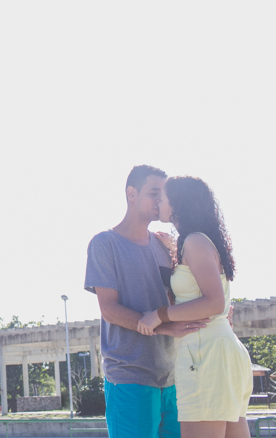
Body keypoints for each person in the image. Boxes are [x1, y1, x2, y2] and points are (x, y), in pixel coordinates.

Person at [85, 165, 209, 438]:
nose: (160, 201)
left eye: (163, 195)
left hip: (174, 378)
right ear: (132, 193)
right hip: (130, 376)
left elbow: (182, 299)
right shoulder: (104, 243)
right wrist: (165, 326)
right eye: (154, 193)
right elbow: (109, 310)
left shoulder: (168, 246)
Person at [137, 176, 253, 438]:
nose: (158, 202)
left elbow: (214, 302)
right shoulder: (196, 242)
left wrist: (159, 315)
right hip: (219, 350)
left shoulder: (195, 242)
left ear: (177, 204)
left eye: (163, 198)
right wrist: (174, 248)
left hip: (206, 354)